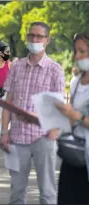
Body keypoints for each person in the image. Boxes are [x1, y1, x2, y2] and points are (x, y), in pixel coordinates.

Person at [0, 22, 65, 204]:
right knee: (17, 193)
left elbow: (58, 106)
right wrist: (4, 132)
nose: (35, 39)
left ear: (47, 40)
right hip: (17, 138)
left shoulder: (55, 70)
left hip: (43, 137)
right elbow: (8, 102)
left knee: (47, 193)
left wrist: (54, 130)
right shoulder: (17, 67)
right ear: (27, 38)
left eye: (39, 36)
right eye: (31, 36)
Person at [56, 31, 89, 205]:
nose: (78, 56)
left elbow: (76, 115)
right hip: (74, 154)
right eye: (76, 51)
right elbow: (71, 119)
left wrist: (76, 115)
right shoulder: (76, 82)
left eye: (82, 51)